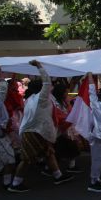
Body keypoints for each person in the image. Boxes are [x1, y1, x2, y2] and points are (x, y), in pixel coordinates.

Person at [8, 61, 74, 192]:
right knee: (27, 159)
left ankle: (58, 176)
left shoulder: (30, 99)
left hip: (36, 131)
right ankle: (15, 184)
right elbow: (47, 81)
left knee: (49, 153)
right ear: (42, 89)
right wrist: (39, 67)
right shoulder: (41, 98)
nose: (51, 88)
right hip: (34, 131)